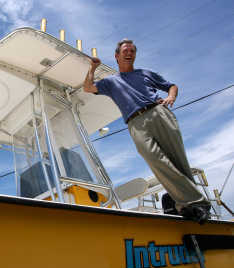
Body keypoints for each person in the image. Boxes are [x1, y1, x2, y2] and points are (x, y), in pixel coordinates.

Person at [83, 38, 211, 223]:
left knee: (178, 159)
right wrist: (93, 68)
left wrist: (170, 97)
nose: (129, 53)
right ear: (116, 56)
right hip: (135, 122)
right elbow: (88, 87)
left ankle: (190, 206)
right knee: (155, 159)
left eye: (132, 51)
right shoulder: (110, 82)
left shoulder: (145, 73)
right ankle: (196, 202)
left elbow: (171, 86)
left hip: (159, 113)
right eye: (125, 50)